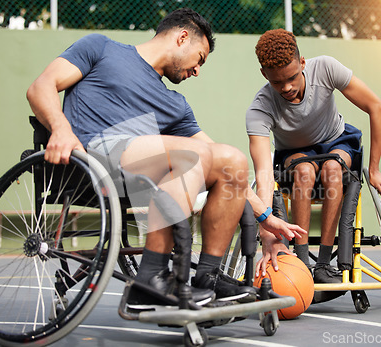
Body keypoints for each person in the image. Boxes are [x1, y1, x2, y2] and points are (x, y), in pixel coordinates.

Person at [27, 10, 306, 312]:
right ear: (182, 37)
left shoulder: (176, 105)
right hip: (88, 157)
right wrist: (61, 129)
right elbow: (40, 86)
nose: (197, 70)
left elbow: (218, 156)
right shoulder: (101, 48)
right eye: (199, 58)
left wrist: (266, 216)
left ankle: (207, 278)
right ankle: (151, 278)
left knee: (232, 159)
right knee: (194, 154)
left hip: (138, 172)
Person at [246, 29, 381, 289]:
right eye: (277, 82)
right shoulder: (260, 107)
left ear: (303, 63)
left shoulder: (325, 68)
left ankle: (324, 264)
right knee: (303, 170)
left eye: (292, 77)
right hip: (295, 153)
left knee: (333, 169)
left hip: (337, 142)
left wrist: (376, 169)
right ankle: (302, 262)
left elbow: (377, 107)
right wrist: (266, 225)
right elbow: (264, 174)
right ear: (263, 75)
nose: (287, 87)